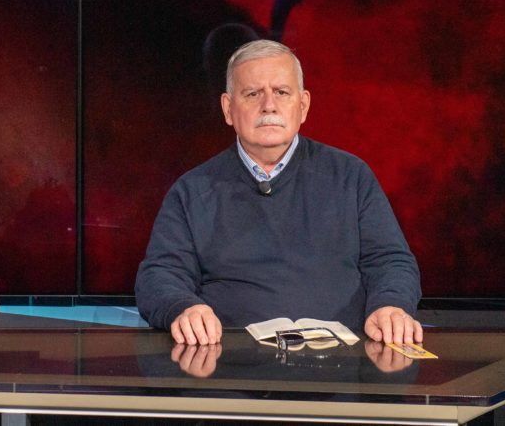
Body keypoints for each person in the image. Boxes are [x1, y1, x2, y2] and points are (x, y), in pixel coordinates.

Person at [135, 40, 422, 346]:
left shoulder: (351, 177)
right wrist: (183, 308)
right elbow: (160, 274)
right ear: (228, 109)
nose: (268, 105)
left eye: (282, 92)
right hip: (229, 364)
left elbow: (391, 261)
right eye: (253, 94)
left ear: (303, 106)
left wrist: (390, 305)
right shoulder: (192, 191)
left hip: (341, 362)